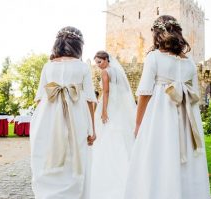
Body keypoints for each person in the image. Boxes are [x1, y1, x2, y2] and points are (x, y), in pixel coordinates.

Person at [124, 15, 211, 199]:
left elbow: (145, 93)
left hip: (160, 117)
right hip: (187, 118)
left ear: (157, 34)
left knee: (159, 154)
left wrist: (138, 124)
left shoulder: (154, 58)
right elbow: (194, 94)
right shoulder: (189, 63)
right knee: (186, 157)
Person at [30, 26, 97, 199]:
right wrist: (92, 129)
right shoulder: (82, 67)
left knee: (47, 150)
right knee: (74, 153)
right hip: (77, 117)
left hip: (48, 116)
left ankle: (48, 192)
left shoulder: (48, 66)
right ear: (79, 45)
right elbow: (90, 99)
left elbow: (39, 98)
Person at [90, 51, 136, 199]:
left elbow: (106, 92)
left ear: (106, 60)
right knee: (120, 132)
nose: (98, 65)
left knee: (105, 132)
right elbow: (123, 92)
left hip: (109, 105)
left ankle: (107, 167)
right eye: (96, 63)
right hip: (118, 107)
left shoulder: (105, 72)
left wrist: (103, 111)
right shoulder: (117, 71)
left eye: (99, 62)